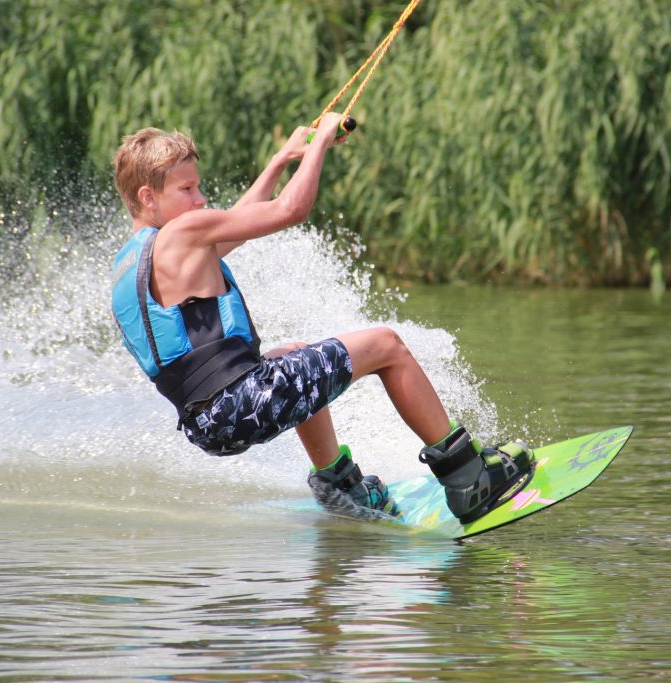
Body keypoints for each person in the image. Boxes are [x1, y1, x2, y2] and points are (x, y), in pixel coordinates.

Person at [109, 113, 533, 523]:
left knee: (297, 356)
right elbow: (290, 210)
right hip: (239, 404)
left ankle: (339, 486)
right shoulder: (182, 234)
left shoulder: (133, 264)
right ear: (148, 196)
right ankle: (468, 477)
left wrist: (280, 160)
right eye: (187, 189)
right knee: (387, 345)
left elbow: (235, 226)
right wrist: (322, 142)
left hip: (210, 424)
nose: (200, 200)